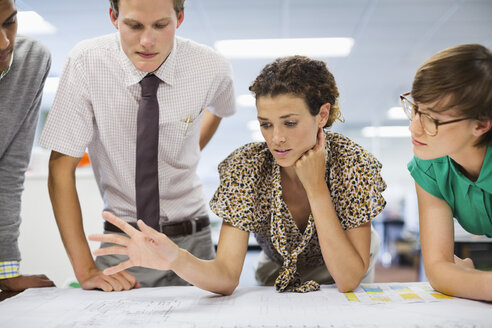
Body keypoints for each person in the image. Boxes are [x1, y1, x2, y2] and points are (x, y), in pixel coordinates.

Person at [89, 55, 386, 295]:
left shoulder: (352, 163)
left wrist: (317, 187)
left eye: (290, 123)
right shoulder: (248, 167)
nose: (276, 138)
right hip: (280, 270)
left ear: (322, 115)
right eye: (266, 124)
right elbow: (226, 276)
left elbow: (348, 280)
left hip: (347, 266)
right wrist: (175, 258)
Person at [39, 0, 235, 292]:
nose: (147, 41)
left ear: (179, 18)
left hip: (194, 240)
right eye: (133, 25)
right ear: (114, 18)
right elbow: (60, 168)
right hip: (124, 243)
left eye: (160, 25)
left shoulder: (211, 66)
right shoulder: (86, 62)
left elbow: (219, 110)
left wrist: (188, 150)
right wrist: (85, 269)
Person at [403, 44, 492, 301]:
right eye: (416, 109)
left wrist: (468, 280)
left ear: (482, 124)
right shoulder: (429, 164)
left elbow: (450, 275)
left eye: (433, 119)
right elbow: (438, 271)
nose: (413, 127)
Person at [0, 0, 55, 291]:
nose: (4, 43)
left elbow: (9, 172)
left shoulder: (29, 62)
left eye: (9, 21)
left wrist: (5, 270)